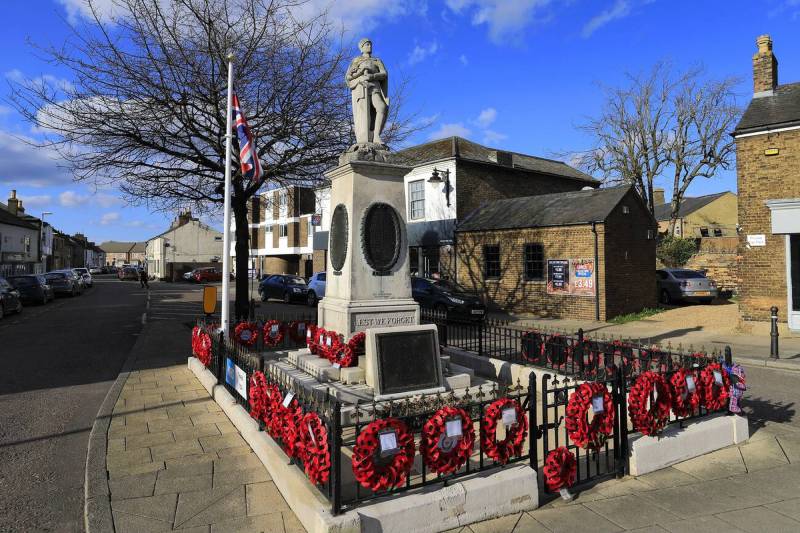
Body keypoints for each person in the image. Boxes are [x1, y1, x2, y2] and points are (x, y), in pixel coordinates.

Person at [345, 38, 389, 146]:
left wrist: (373, 76)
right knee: (364, 114)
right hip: (362, 87)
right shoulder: (356, 61)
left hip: (375, 86)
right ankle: (364, 137)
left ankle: (376, 135)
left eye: (370, 44)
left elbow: (384, 74)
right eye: (366, 44)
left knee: (381, 107)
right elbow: (348, 77)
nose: (369, 46)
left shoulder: (377, 61)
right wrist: (359, 74)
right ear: (361, 48)